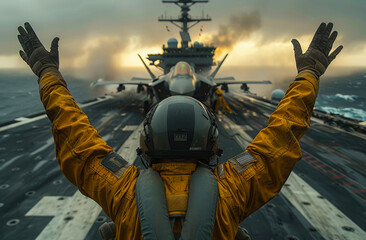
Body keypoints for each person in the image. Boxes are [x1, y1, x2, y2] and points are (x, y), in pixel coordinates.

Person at [17, 22, 342, 239]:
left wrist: (47, 72)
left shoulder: (121, 190)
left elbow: (77, 139)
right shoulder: (233, 189)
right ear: (213, 141)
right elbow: (278, 141)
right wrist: (309, 73)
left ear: (146, 141)